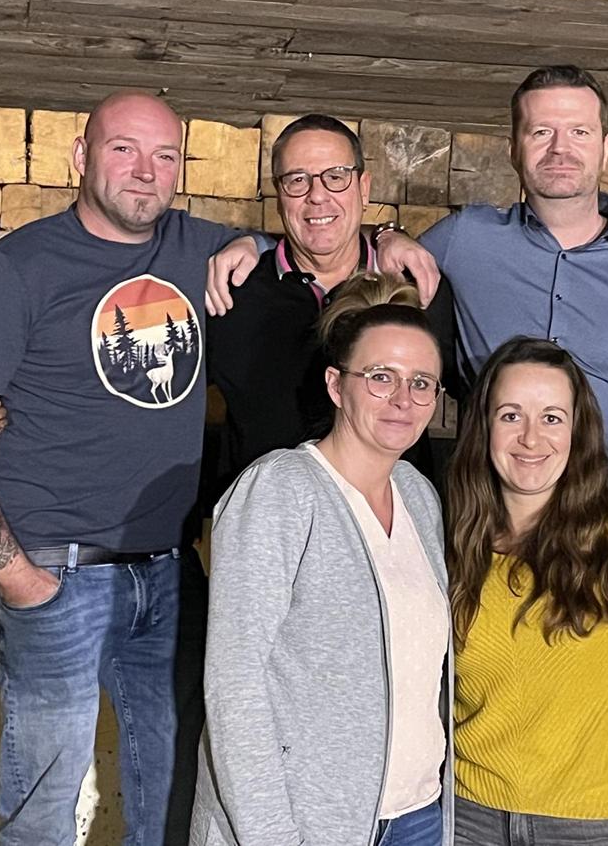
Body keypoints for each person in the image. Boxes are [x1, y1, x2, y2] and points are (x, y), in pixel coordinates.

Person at [207, 66, 608, 641]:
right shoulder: (465, 240)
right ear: (514, 148)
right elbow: (338, 246)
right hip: (492, 545)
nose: (560, 149)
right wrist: (260, 244)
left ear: (606, 146)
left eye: (578, 132)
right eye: (540, 132)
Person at [0, 90, 251, 846]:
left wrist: (252, 245)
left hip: (169, 573)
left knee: (175, 798)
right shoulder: (16, 270)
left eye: (166, 155)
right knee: (43, 810)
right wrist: (15, 575)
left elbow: (289, 242)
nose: (146, 171)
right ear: (81, 156)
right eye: (124, 149)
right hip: (56, 574)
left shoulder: (196, 245)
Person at [192, 273, 453, 846]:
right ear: (336, 385)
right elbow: (235, 686)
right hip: (307, 824)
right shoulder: (281, 490)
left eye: (421, 383)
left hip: (416, 816)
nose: (402, 399)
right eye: (380, 377)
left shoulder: (418, 496)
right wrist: (272, 836)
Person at [446, 336, 608, 846]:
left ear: (577, 431)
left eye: (552, 418)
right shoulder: (452, 539)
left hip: (597, 824)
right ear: (484, 426)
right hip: (468, 817)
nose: (531, 438)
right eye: (511, 416)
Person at [204, 113, 455, 489]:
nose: (317, 195)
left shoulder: (419, 288)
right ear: (278, 195)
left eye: (336, 176)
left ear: (364, 188)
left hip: (388, 512)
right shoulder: (231, 291)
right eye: (297, 180)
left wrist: (388, 232)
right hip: (265, 516)